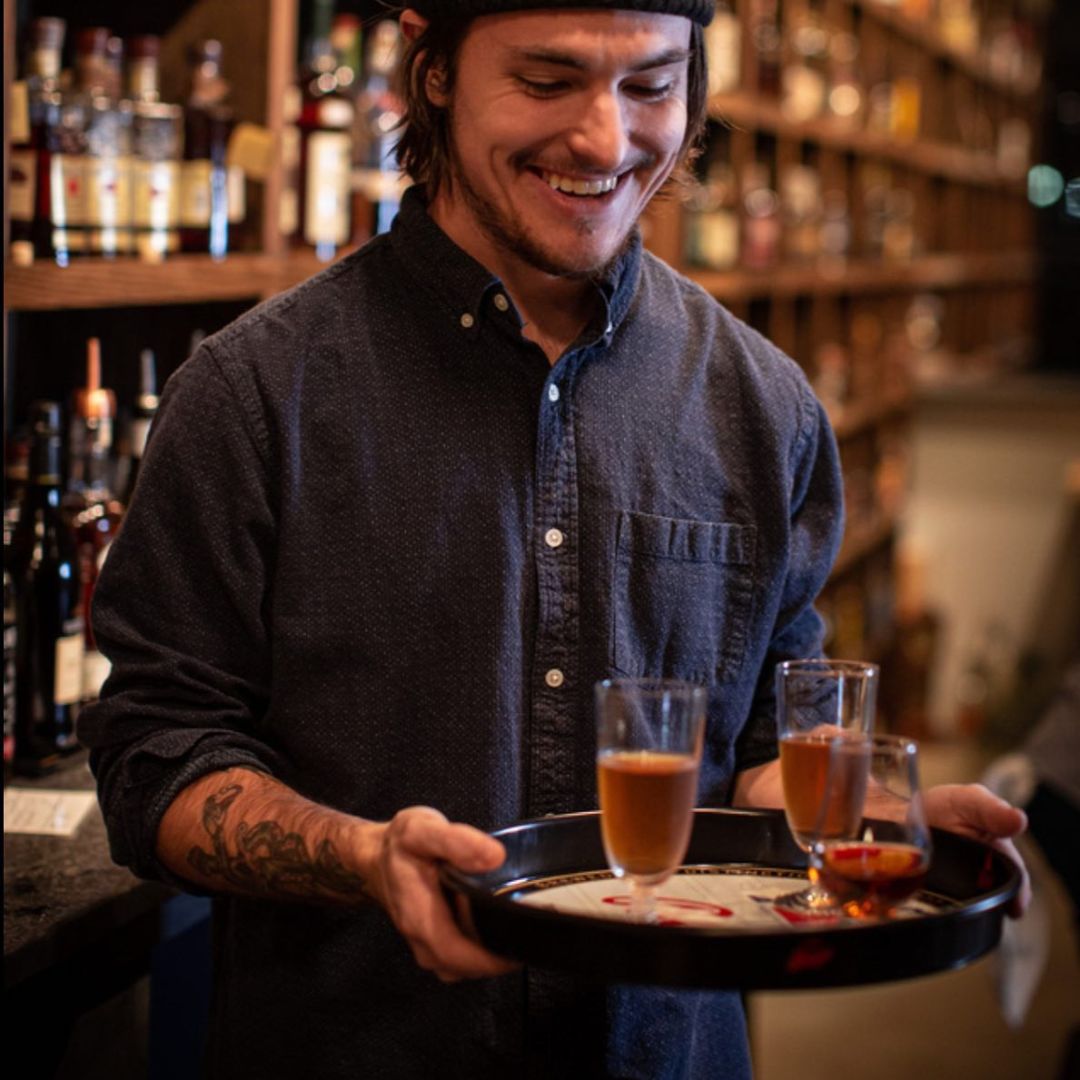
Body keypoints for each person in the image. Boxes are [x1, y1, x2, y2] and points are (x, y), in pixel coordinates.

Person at [79, 3, 1030, 1077]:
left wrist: (874, 821)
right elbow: (156, 756)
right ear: (434, 70)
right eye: (546, 81)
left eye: (650, 85)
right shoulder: (254, 393)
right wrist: (361, 856)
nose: (604, 139)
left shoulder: (766, 407)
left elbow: (761, 755)